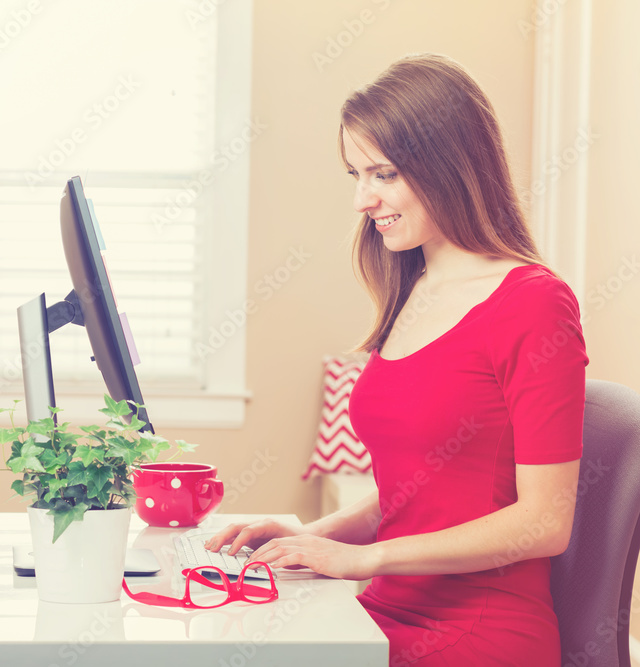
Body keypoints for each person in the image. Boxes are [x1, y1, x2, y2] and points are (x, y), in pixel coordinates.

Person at [205, 53, 588, 666]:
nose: (362, 199)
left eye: (382, 174)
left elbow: (545, 521)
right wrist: (313, 536)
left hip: (479, 632)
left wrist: (366, 558)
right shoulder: (411, 290)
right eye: (355, 174)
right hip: (385, 613)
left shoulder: (534, 304)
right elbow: (419, 491)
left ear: (449, 167)